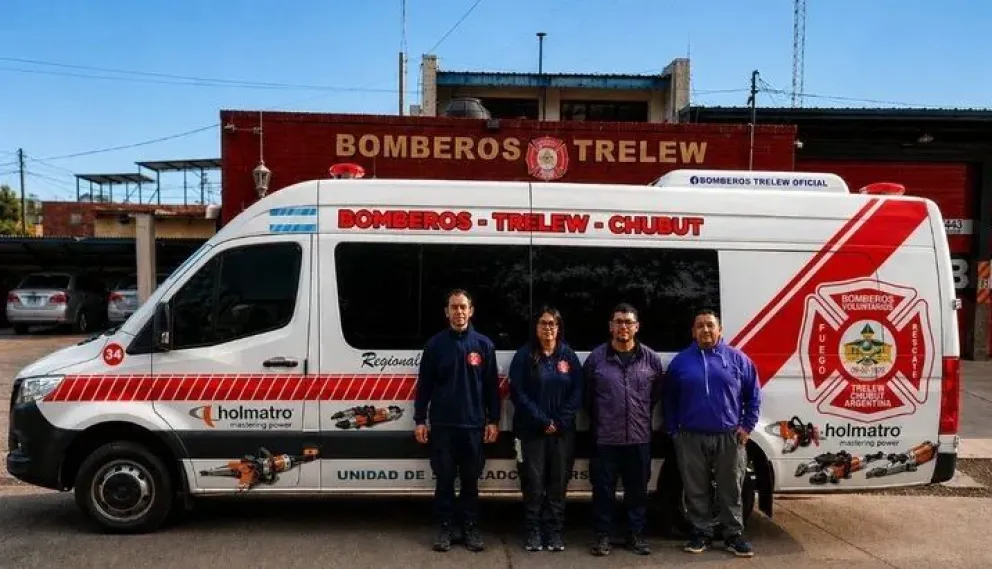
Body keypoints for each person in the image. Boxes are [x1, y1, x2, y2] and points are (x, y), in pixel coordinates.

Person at [663, 308, 761, 558]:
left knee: (731, 487)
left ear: (720, 330)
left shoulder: (738, 360)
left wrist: (747, 426)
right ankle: (700, 533)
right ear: (693, 332)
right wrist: (674, 431)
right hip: (690, 437)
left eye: (710, 325)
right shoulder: (681, 362)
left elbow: (753, 396)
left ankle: (733, 535)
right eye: (700, 326)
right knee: (695, 488)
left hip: (729, 436)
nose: (705, 330)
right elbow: (669, 400)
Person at [413, 289, 501, 553]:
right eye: (454, 307)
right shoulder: (435, 345)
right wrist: (420, 420)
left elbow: (491, 388)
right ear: (446, 311)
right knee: (445, 479)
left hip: (473, 426)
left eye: (463, 307)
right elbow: (424, 387)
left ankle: (470, 527)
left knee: (471, 480)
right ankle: (445, 528)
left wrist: (493, 420)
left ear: (471, 311)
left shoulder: (484, 345)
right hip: (443, 426)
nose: (459, 312)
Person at [583, 303, 665, 556]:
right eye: (618, 321)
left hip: (639, 439)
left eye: (628, 322)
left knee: (637, 492)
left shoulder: (651, 359)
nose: (623, 327)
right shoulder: (596, 359)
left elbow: (656, 396)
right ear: (611, 326)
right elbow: (587, 399)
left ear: (637, 327)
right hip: (606, 439)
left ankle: (636, 536)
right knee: (603, 492)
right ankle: (603, 536)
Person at [508, 306, 583, 552]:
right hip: (531, 431)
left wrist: (559, 421)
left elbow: (578, 391)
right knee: (533, 484)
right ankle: (533, 532)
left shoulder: (567, 355)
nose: (548, 328)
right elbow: (518, 393)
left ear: (559, 327)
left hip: (562, 432)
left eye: (552, 323)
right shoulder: (524, 355)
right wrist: (543, 420)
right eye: (543, 323)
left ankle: (554, 532)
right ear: (535, 327)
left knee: (557, 483)